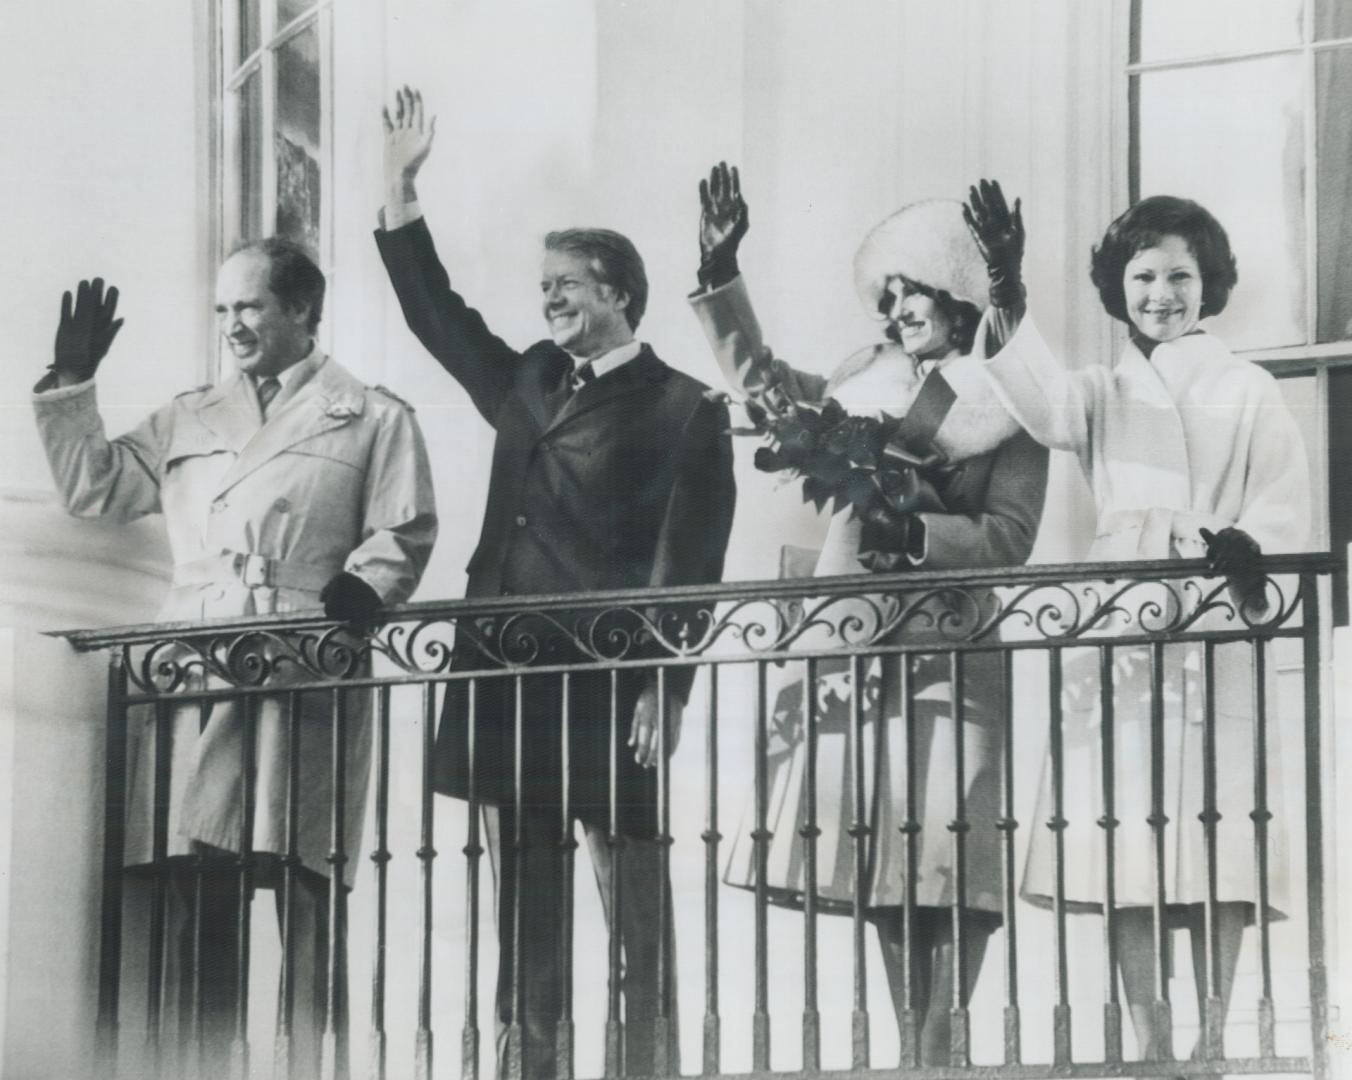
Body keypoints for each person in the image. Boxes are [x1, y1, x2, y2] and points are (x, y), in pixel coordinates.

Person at [374, 87, 736, 1079]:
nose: (549, 298)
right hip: (503, 677)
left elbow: (691, 565)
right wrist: (400, 191)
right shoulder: (529, 379)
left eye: (567, 283)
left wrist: (665, 686)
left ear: (619, 291)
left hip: (611, 687)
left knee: (636, 919)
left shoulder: (685, 408)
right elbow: (437, 317)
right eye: (544, 286)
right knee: (523, 921)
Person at [32, 243, 437, 1077]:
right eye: (222, 311)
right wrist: (71, 386)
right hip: (195, 661)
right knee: (198, 882)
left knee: (306, 886)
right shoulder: (190, 415)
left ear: (300, 311)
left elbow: (402, 530)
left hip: (306, 658)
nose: (233, 327)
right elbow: (93, 489)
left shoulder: (370, 414)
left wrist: (367, 584)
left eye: (249, 308)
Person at [690, 163, 1047, 1065]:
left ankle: (943, 1041)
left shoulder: (1012, 394)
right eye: (884, 300)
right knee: (889, 858)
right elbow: (768, 388)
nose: (894, 314)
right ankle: (911, 1047)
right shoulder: (860, 378)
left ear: (956, 295)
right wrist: (722, 273)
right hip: (856, 645)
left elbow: (1009, 535)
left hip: (952, 646)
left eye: (910, 295)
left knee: (951, 856)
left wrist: (915, 531)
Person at [982, 195, 1311, 1059]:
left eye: (1179, 276)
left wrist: (1251, 545)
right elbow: (1043, 407)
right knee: (1120, 833)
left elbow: (1285, 499)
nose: (1161, 294)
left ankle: (1208, 1044)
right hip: (1123, 617)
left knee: (1219, 829)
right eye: (1143, 278)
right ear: (1116, 289)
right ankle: (1152, 1046)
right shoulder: (1102, 389)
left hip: (1215, 599)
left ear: (1210, 286)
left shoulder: (1248, 386)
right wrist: (1007, 289)